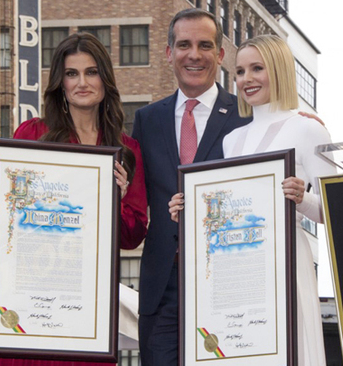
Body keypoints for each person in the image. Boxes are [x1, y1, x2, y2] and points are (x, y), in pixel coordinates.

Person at [0, 32, 148, 366]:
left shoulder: (127, 151)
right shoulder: (32, 134)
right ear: (59, 82)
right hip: (26, 294)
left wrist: (117, 199)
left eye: (91, 72)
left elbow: (132, 236)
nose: (82, 82)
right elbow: (8, 212)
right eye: (71, 73)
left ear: (105, 79)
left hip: (84, 308)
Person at [169, 34, 334, 365]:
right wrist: (189, 211)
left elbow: (336, 211)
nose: (246, 79)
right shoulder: (232, 140)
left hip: (285, 263)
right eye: (240, 71)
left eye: (257, 68)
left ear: (279, 69)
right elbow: (229, 210)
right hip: (237, 265)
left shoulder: (308, 129)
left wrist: (302, 199)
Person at [130, 8, 250, 366]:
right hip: (163, 286)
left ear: (220, 54)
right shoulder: (146, 120)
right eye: (184, 45)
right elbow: (131, 202)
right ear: (169, 52)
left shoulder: (247, 116)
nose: (194, 55)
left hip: (229, 284)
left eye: (204, 45)